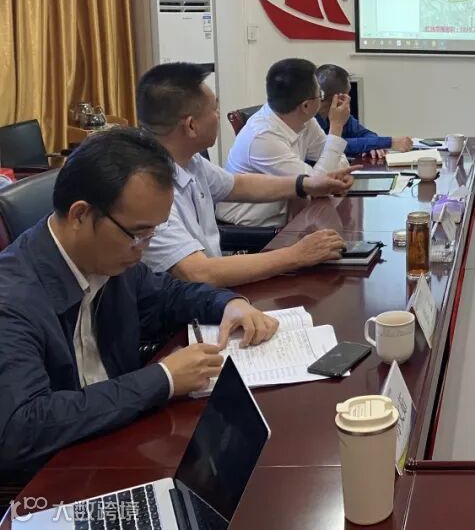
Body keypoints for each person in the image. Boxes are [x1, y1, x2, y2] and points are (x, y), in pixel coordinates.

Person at [0, 128, 279, 480]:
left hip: (119, 440)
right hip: (53, 480)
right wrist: (164, 378)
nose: (144, 249)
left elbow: (169, 294)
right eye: (138, 233)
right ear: (80, 215)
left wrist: (229, 304)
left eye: (153, 233)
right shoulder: (12, 298)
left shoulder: (110, 258)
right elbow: (21, 428)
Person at [136, 62, 351, 286]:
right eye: (214, 110)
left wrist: (305, 185)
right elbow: (198, 273)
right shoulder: (147, 190)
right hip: (192, 299)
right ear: (191, 126)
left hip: (212, 289)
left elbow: (237, 185)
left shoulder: (190, 161)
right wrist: (297, 254)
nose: (218, 116)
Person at [217, 58, 352, 227]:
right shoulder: (262, 137)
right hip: (251, 229)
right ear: (306, 106)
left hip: (290, 216)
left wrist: (337, 176)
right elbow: (316, 187)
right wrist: (336, 126)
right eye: (321, 95)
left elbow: (337, 163)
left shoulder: (305, 120)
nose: (322, 99)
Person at [314, 64, 413, 159]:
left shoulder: (341, 115)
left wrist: (373, 146)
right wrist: (389, 142)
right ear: (340, 98)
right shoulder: (310, 120)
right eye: (347, 94)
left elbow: (365, 133)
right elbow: (333, 145)